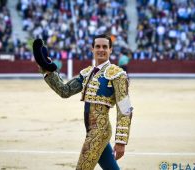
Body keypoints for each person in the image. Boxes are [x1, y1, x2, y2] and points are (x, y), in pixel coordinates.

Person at [37, 34, 133, 170]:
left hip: (99, 132)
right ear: (92, 49)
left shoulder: (117, 74)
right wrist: (47, 70)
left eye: (105, 47)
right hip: (91, 130)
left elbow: (125, 109)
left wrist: (121, 141)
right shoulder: (87, 73)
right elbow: (65, 91)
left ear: (110, 50)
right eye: (98, 46)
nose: (101, 49)